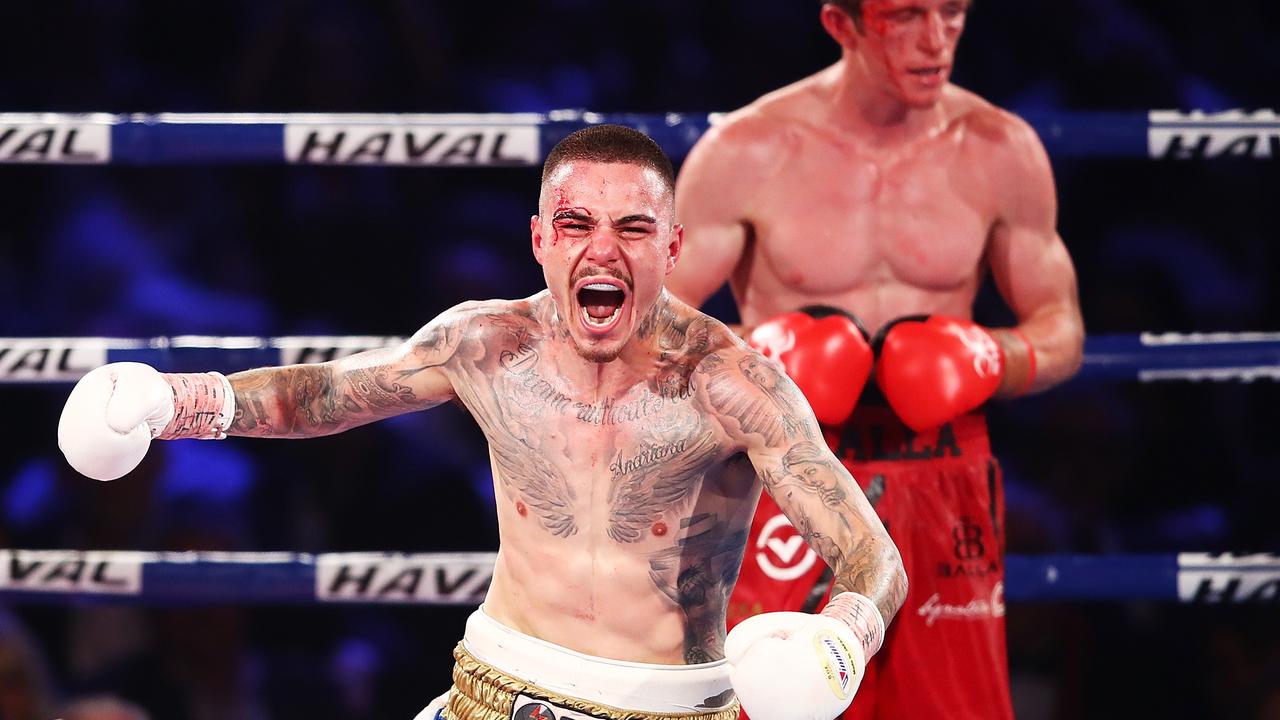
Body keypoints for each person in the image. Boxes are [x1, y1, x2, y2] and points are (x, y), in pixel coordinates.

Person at [58, 125, 908, 720]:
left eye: (632, 228)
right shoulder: (487, 345)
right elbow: (325, 394)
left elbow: (873, 556)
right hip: (493, 693)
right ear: (540, 239)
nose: (601, 250)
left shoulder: (732, 385)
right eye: (576, 224)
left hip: (667, 710)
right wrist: (178, 402)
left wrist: (843, 638)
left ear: (672, 247)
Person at [667, 2, 1085, 718]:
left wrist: (990, 355)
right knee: (771, 705)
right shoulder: (749, 150)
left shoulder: (998, 149)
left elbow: (1061, 328)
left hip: (944, 473)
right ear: (842, 24)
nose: (937, 38)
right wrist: (760, 355)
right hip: (791, 467)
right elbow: (653, 322)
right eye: (905, 16)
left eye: (952, 11)